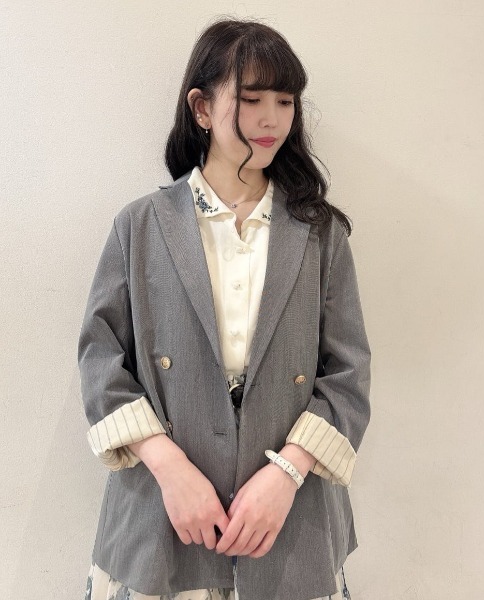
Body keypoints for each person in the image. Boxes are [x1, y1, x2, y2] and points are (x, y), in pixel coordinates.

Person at [78, 17, 370, 600]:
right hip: (162, 515)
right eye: (251, 99)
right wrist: (170, 469)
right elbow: (100, 358)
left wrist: (286, 474)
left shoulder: (320, 233)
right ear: (202, 108)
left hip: (291, 519)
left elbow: (348, 373)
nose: (272, 119)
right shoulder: (141, 226)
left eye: (285, 100)